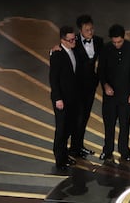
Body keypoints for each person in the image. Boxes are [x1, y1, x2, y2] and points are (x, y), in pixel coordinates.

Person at [97, 24, 130, 163]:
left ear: (124, 37)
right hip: (110, 96)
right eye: (114, 42)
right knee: (109, 125)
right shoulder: (106, 49)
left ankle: (124, 151)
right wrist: (105, 85)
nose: (117, 45)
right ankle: (107, 150)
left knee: (125, 124)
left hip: (126, 95)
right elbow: (101, 71)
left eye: (119, 42)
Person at [48, 25, 80, 173]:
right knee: (61, 129)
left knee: (68, 127)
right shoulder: (57, 55)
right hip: (61, 100)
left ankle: (65, 154)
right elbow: (53, 79)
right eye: (71, 40)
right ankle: (59, 159)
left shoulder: (72, 50)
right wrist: (58, 98)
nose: (74, 41)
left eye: (75, 38)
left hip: (73, 98)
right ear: (63, 40)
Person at [71, 14, 102, 158]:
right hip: (77, 88)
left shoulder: (99, 41)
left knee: (85, 117)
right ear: (80, 30)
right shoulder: (74, 42)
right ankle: (74, 148)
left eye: (91, 29)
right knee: (78, 117)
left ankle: (79, 146)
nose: (90, 32)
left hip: (90, 87)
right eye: (87, 30)